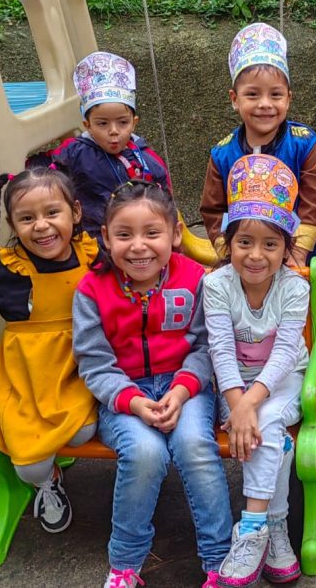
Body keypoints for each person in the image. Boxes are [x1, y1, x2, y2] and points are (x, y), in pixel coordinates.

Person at [73, 181, 231, 588]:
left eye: (152, 233)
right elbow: (94, 362)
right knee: (145, 452)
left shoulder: (196, 278)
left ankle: (220, 562)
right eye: (124, 235)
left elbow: (205, 345)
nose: (138, 246)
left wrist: (180, 390)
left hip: (187, 387)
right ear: (106, 238)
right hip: (124, 395)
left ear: (176, 234)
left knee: (194, 445)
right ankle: (125, 565)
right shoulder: (92, 289)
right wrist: (134, 402)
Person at [0, 166, 99, 534]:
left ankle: (53, 461)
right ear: (11, 223)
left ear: (76, 213)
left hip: (78, 365)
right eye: (27, 218)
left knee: (82, 434)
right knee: (30, 467)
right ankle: (45, 482)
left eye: (53, 212)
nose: (42, 226)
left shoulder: (93, 254)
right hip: (29, 373)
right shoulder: (6, 268)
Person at [205, 155, 310, 587]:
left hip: (280, 382)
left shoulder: (294, 287)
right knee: (277, 443)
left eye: (271, 244)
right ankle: (277, 530)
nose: (256, 254)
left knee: (265, 422)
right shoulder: (215, 285)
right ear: (228, 244)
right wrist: (236, 401)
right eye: (244, 242)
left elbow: (286, 352)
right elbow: (219, 348)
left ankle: (250, 530)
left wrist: (248, 405)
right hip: (232, 386)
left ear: (286, 249)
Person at [200, 23, 316, 266]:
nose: (265, 104)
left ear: (288, 98)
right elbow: (213, 210)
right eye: (252, 95)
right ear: (234, 99)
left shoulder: (304, 144)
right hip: (247, 260)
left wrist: (300, 250)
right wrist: (228, 253)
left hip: (298, 259)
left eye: (275, 95)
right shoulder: (222, 154)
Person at [54, 51, 172, 241]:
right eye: (102, 124)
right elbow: (48, 173)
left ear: (134, 123)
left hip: (138, 239)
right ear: (87, 125)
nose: (114, 131)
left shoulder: (145, 158)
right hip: (93, 242)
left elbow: (165, 196)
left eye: (122, 123)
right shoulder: (75, 153)